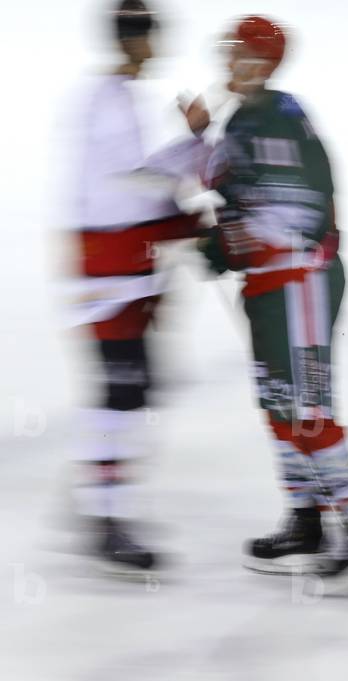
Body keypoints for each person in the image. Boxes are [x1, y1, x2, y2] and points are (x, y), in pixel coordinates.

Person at [198, 16, 348, 587]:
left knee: (307, 409)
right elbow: (237, 190)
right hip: (270, 283)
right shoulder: (244, 117)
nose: (228, 61)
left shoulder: (278, 117)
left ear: (260, 60)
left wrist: (230, 240)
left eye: (237, 52)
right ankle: (306, 518)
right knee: (279, 405)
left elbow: (295, 212)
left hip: (301, 278)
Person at [68, 0, 209, 575]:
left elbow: (138, 182)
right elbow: (130, 189)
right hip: (111, 271)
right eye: (152, 35)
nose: (157, 45)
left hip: (120, 269)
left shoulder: (116, 99)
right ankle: (105, 516)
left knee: (133, 388)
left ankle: (102, 504)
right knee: (123, 391)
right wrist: (186, 213)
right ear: (134, 39)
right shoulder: (108, 106)